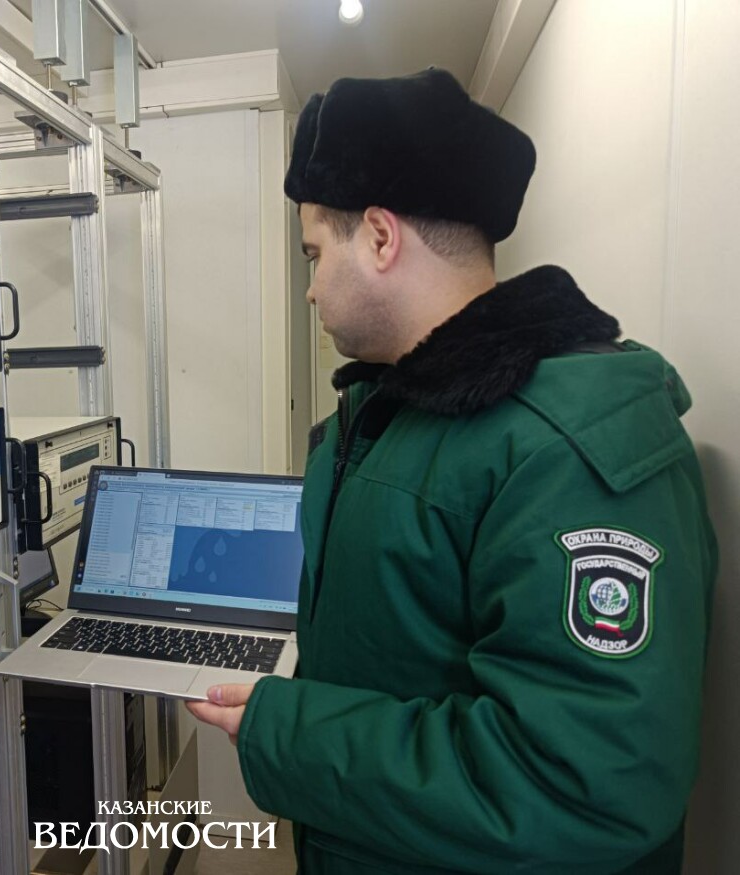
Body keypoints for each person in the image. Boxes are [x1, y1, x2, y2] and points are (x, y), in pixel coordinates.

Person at [186, 68, 717, 874]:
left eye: (313, 255)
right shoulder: (387, 413)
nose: (310, 290)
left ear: (380, 237)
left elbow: (578, 785)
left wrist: (284, 730)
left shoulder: (564, 451)